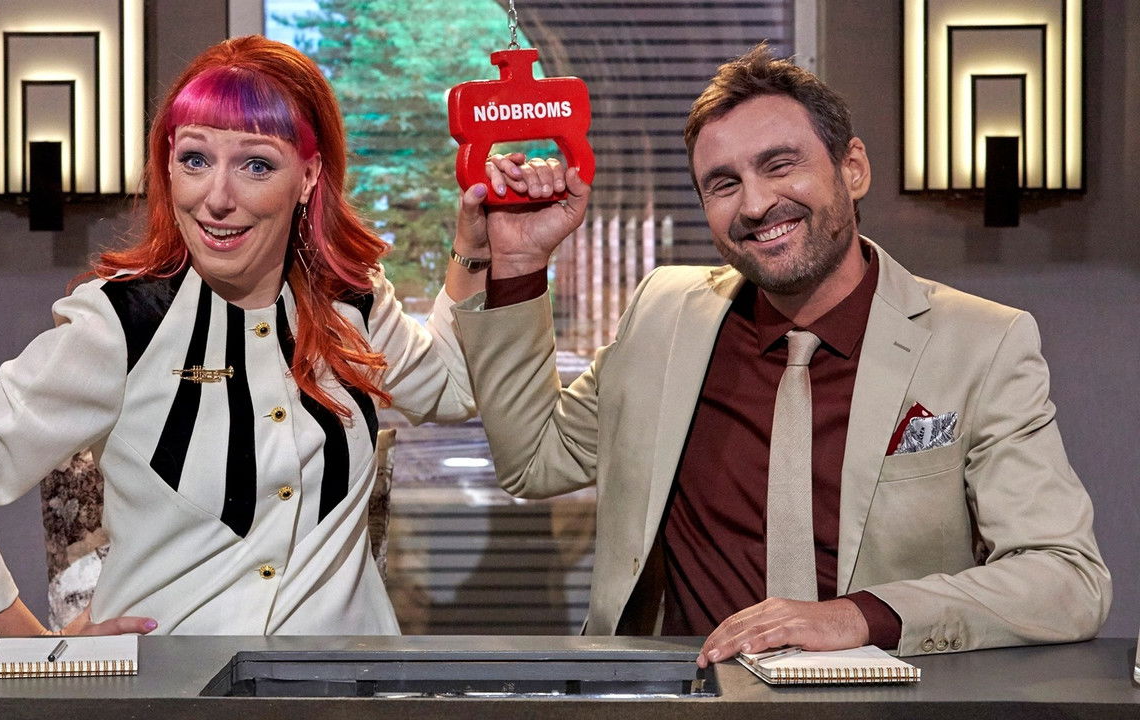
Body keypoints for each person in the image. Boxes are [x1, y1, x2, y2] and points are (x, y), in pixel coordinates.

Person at [451, 44, 1110, 661]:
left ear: (852, 168)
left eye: (780, 164)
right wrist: (518, 263)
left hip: (882, 701)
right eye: (723, 183)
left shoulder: (982, 342)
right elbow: (533, 462)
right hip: (685, 697)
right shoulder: (664, 315)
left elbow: (1066, 578)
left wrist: (858, 617)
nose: (757, 203)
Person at [0, 36, 500, 636]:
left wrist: (474, 250)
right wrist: (41, 655)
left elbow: (456, 386)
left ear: (309, 177)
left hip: (339, 685)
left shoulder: (353, 300)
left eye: (256, 164)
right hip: (175, 687)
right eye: (195, 160)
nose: (216, 198)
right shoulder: (120, 323)